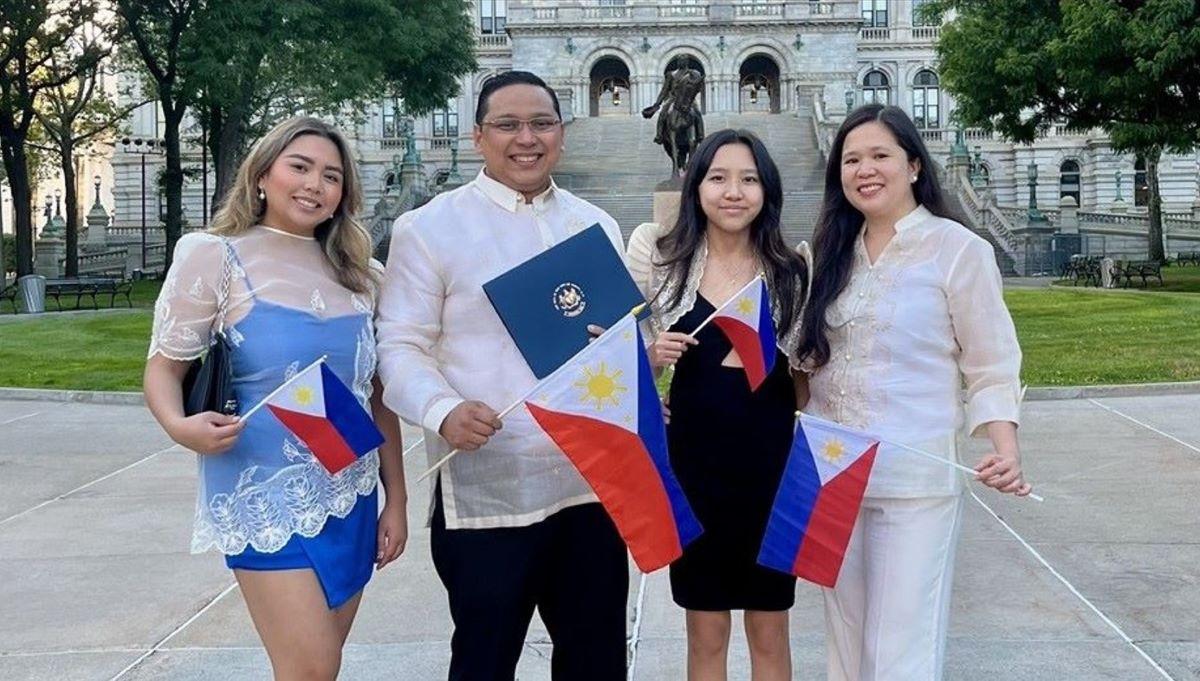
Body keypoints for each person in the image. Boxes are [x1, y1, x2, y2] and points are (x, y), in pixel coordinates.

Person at [375, 71, 629, 680]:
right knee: (485, 663)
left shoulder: (595, 225)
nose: (527, 139)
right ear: (478, 136)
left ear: (561, 134)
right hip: (488, 493)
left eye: (542, 123)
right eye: (508, 125)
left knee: (596, 663)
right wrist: (442, 410)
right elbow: (400, 348)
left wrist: (638, 371)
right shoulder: (429, 227)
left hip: (587, 490)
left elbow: (616, 341)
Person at [143, 117, 407, 680]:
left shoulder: (364, 276)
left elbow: (376, 398)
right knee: (309, 669)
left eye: (331, 176)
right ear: (262, 175)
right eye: (301, 167)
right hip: (262, 493)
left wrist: (398, 501)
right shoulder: (213, 256)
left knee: (317, 671)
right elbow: (164, 369)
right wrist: (178, 426)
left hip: (352, 492)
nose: (315, 184)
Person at [797, 104, 1031, 680]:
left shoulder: (958, 250)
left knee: (901, 647)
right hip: (829, 472)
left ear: (915, 166)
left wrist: (1005, 447)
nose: (865, 170)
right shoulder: (821, 255)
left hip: (914, 477)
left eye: (880, 155)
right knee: (845, 645)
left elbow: (992, 363)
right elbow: (796, 366)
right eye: (851, 159)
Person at [626, 129, 809, 681]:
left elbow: (807, 376)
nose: (734, 192)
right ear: (696, 185)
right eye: (719, 177)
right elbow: (616, 362)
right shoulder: (661, 260)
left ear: (767, 190)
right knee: (705, 631)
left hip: (773, 470)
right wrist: (649, 364)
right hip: (695, 469)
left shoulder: (791, 269)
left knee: (771, 628)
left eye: (749, 179)